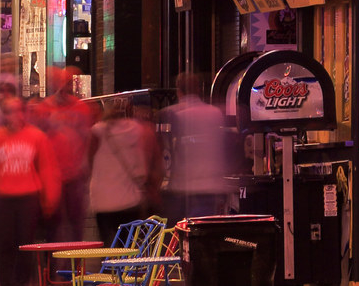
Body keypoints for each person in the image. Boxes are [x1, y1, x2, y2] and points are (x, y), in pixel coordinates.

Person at [0, 90, 60, 286]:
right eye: (10, 112)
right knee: (3, 245)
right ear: (5, 114)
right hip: (2, 197)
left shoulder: (37, 137)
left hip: (28, 197)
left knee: (25, 245)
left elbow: (47, 169)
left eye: (19, 111)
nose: (15, 115)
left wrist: (50, 199)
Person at [33, 67, 97, 243]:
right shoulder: (43, 109)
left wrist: (86, 166)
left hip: (75, 177)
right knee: (53, 226)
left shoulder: (81, 108)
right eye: (60, 83)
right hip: (52, 177)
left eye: (67, 83)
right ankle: (54, 265)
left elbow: (88, 139)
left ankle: (75, 265)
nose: (64, 87)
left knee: (75, 224)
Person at [161, 74, 237, 220]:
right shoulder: (215, 113)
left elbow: (169, 153)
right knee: (202, 232)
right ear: (199, 89)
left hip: (182, 188)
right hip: (210, 185)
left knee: (179, 233)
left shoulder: (172, 113)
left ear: (179, 91)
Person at [90, 97, 161, 241]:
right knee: (128, 248)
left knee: (108, 250)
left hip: (102, 202)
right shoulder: (136, 129)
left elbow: (88, 162)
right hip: (129, 202)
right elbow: (142, 170)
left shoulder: (96, 131)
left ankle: (109, 263)